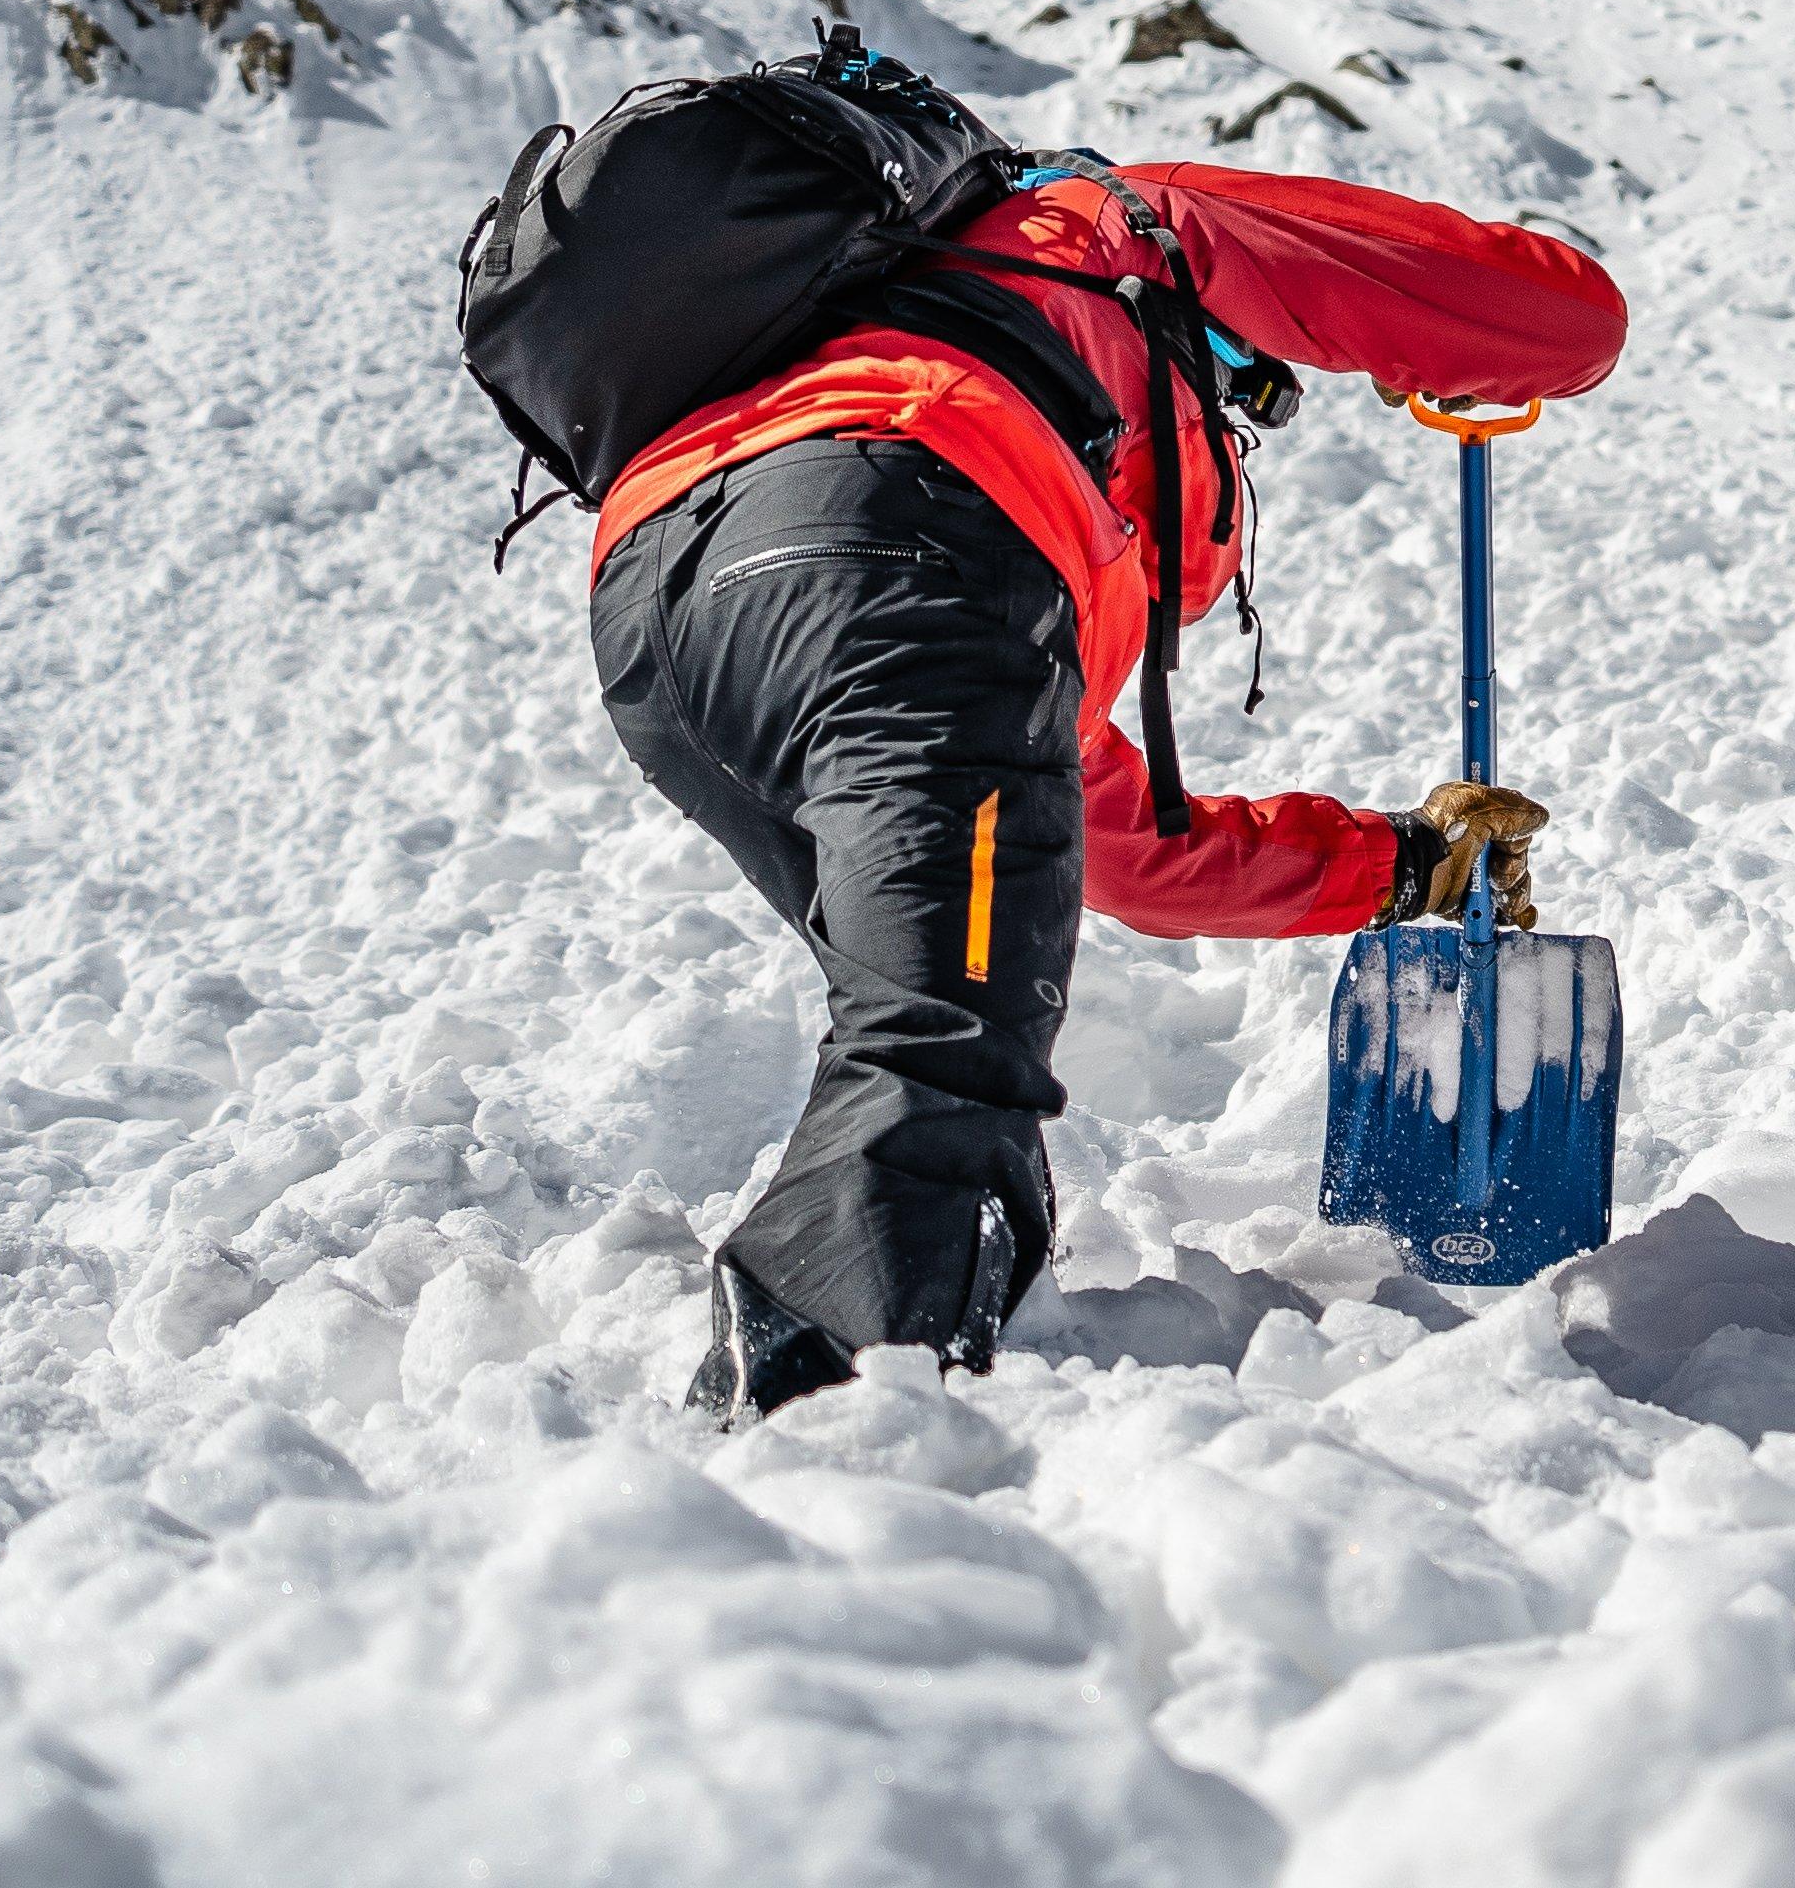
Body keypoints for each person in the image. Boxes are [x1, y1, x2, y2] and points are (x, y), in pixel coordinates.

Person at [582, 129, 1624, 1419]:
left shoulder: (940, 380)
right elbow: (1555, 314)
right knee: (944, 1043)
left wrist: (1404, 862)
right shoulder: (1118, 223)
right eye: (1248, 407)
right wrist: (1481, 348)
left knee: (957, 989)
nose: (1238, 437)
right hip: (889, 542)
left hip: (667, 617)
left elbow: (1121, 849)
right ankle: (822, 1441)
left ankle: (906, 1386)